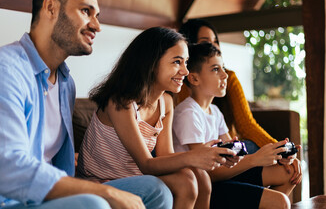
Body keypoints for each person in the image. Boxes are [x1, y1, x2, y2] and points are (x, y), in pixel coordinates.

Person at [0, 0, 173, 209]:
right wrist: (105, 192)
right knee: (94, 204)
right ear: (50, 8)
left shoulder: (65, 83)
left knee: (156, 191)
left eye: (97, 15)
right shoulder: (7, 69)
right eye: (85, 11)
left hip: (48, 197)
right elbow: (8, 167)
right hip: (11, 200)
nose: (97, 26)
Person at [77, 27, 238, 209]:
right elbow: (147, 165)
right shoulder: (121, 103)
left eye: (186, 62)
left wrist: (208, 156)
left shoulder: (166, 103)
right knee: (187, 176)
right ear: (151, 63)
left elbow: (165, 156)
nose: (185, 71)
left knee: (190, 177)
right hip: (101, 183)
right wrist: (193, 156)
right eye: (177, 62)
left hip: (135, 178)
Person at [172, 42, 302, 209]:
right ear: (194, 78)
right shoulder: (188, 113)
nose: (225, 75)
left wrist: (278, 154)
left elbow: (236, 153)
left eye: (223, 68)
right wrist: (255, 159)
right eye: (215, 69)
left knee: (287, 171)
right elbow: (206, 173)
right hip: (204, 186)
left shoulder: (214, 111)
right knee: (281, 202)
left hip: (222, 177)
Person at [177, 18, 278, 153]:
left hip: (228, 148)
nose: (215, 47)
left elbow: (246, 125)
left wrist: (278, 149)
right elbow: (200, 159)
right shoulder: (182, 91)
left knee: (251, 149)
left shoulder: (227, 81)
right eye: (206, 42)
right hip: (210, 157)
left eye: (216, 42)